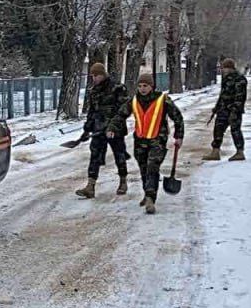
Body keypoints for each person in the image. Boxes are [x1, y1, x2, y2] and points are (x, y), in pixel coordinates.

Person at [107, 74, 184, 215]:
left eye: (145, 86)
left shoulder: (163, 99)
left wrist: (179, 136)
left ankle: (150, 198)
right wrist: (112, 127)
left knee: (152, 167)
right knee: (143, 169)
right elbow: (120, 115)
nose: (142, 89)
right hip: (140, 141)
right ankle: (147, 192)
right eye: (140, 86)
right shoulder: (134, 101)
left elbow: (177, 117)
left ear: (151, 86)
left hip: (157, 140)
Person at [74, 62, 129, 199]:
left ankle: (123, 182)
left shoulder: (117, 88)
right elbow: (92, 111)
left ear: (103, 74)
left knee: (119, 155)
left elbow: (124, 109)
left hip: (115, 130)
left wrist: (113, 126)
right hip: (98, 129)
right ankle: (90, 186)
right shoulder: (94, 91)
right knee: (95, 156)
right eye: (92, 76)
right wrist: (87, 129)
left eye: (96, 75)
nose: (94, 78)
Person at [204, 58, 248, 162]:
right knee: (218, 130)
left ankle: (240, 152)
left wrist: (235, 110)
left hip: (234, 110)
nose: (222, 70)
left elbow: (240, 97)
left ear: (230, 68)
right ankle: (215, 152)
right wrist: (216, 107)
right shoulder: (226, 78)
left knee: (235, 130)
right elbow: (222, 95)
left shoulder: (239, 79)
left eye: (224, 68)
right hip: (223, 109)